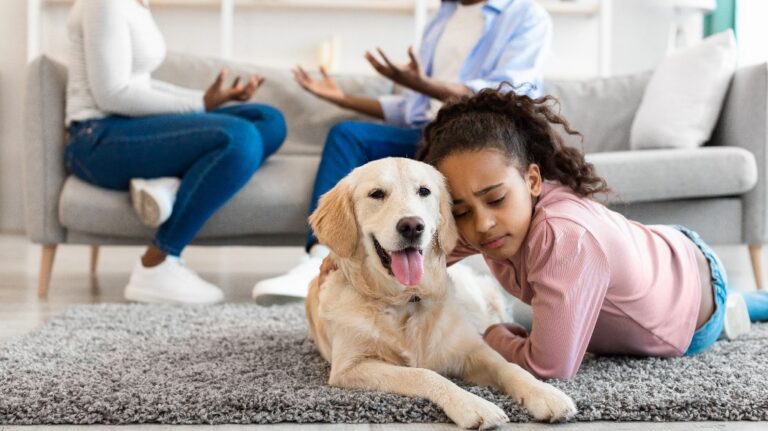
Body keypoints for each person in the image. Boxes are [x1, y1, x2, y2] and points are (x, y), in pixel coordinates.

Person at [410, 87, 768, 379]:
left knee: (736, 310)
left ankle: (738, 305)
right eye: (460, 211)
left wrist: (491, 336)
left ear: (532, 180)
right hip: (661, 252)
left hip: (691, 308)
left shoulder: (564, 239)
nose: (483, 224)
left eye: (496, 199)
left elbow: (549, 367)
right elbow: (421, 261)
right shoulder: (491, 222)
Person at [253, 0, 552, 299]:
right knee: (347, 134)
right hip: (427, 132)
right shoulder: (442, 17)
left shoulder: (525, 15)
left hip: (476, 142)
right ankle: (319, 257)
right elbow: (413, 109)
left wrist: (423, 83)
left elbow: (510, 93)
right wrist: (343, 98)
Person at [65, 0, 286, 303]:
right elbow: (113, 95)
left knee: (269, 121)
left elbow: (141, 82)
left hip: (133, 127)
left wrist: (206, 101)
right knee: (241, 138)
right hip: (97, 139)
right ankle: (157, 262)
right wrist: (199, 106)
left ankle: (167, 185)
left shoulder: (138, 4)